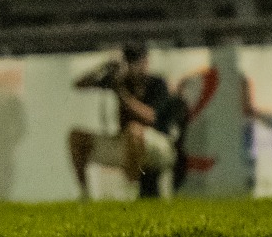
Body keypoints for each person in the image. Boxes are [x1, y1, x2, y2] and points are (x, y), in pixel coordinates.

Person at [69, 43, 187, 200]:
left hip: (158, 144)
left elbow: (150, 117)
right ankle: (85, 194)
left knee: (134, 130)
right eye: (129, 61)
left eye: (136, 61)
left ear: (145, 61)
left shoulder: (158, 83)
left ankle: (130, 191)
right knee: (76, 137)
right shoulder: (121, 81)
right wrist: (104, 68)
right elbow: (79, 84)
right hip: (125, 141)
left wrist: (122, 94)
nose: (133, 66)